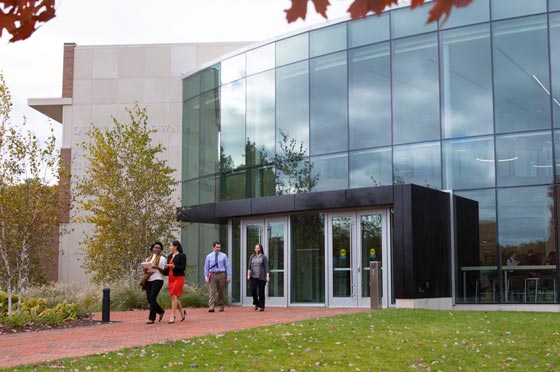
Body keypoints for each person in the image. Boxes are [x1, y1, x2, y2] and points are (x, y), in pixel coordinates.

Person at [143, 242, 167, 324]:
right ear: (152, 248)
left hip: (158, 279)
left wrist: (157, 267)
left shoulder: (162, 259)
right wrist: (145, 269)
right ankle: (160, 311)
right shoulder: (148, 259)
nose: (157, 249)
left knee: (152, 297)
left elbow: (164, 271)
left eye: (159, 248)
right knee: (149, 299)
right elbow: (146, 270)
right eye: (155, 247)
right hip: (149, 279)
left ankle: (151, 318)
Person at [204, 241, 231, 312]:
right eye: (217, 247)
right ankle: (211, 306)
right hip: (212, 275)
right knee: (212, 291)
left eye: (219, 247)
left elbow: (227, 266)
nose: (218, 248)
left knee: (221, 291)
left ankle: (221, 305)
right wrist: (206, 277)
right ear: (213, 247)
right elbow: (206, 267)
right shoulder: (209, 256)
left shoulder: (224, 256)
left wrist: (228, 276)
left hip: (221, 274)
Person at [164, 240, 187, 323]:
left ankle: (172, 316)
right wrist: (165, 268)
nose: (169, 247)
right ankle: (182, 313)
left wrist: (173, 266)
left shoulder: (182, 255)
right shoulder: (170, 256)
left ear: (175, 246)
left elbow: (182, 268)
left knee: (174, 295)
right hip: (171, 278)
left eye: (170, 246)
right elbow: (167, 268)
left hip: (179, 277)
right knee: (174, 297)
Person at [247, 243, 270, 311]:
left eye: (258, 248)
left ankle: (262, 306)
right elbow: (249, 267)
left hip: (261, 277)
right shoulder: (252, 257)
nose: (256, 249)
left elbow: (266, 267)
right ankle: (256, 303)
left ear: (260, 249)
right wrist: (248, 275)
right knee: (253, 290)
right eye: (256, 248)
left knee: (261, 292)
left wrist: (267, 276)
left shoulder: (263, 257)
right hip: (253, 276)